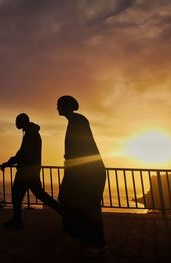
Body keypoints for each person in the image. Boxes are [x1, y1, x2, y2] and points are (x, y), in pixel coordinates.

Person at [56, 95, 107, 257]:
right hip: (82, 171)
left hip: (88, 172)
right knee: (73, 202)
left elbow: (79, 148)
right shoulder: (75, 121)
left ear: (66, 106)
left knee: (89, 207)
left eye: (59, 105)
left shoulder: (78, 121)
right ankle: (86, 238)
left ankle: (98, 243)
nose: (57, 108)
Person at [1, 113, 62, 230]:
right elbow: (23, 153)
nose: (15, 123)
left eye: (17, 121)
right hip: (29, 171)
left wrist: (8, 163)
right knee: (22, 196)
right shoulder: (31, 133)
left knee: (32, 196)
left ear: (23, 121)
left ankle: (66, 215)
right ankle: (17, 221)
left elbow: (23, 153)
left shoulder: (30, 134)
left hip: (27, 172)